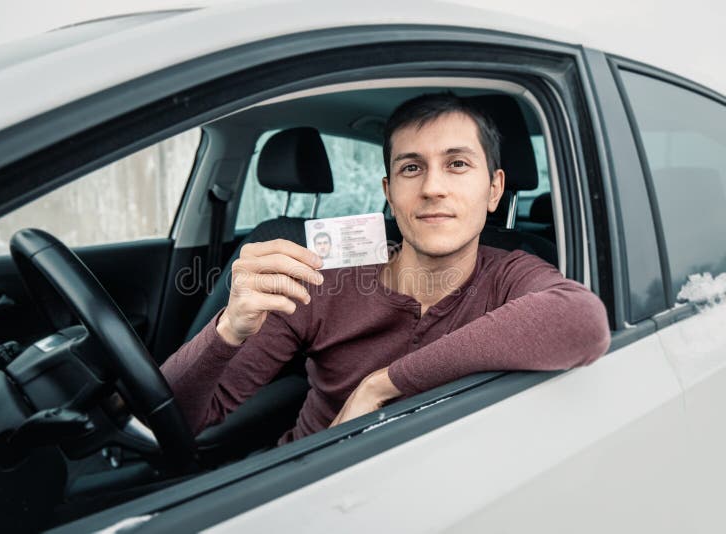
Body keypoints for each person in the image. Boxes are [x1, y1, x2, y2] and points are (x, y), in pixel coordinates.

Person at [161, 92, 611, 444]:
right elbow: (176, 418)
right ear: (390, 193)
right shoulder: (326, 270)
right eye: (412, 168)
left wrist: (381, 385)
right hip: (303, 485)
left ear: (494, 189)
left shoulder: (514, 273)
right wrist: (228, 332)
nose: (433, 187)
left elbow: (585, 323)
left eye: (457, 164)